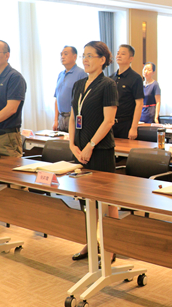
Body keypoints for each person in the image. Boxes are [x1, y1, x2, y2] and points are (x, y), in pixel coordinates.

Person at [69, 41, 119, 261]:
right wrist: (72, 144)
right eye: (84, 55)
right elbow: (73, 116)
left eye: (90, 55)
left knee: (105, 201)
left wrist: (90, 145)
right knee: (85, 201)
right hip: (80, 150)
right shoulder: (79, 84)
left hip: (100, 150)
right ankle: (91, 242)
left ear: (102, 60)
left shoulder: (107, 85)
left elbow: (108, 121)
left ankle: (111, 247)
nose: (85, 59)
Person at [111, 44, 144, 140]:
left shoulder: (136, 78)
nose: (119, 56)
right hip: (110, 124)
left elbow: (139, 104)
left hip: (126, 124)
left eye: (123, 54)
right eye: (118, 53)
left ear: (131, 58)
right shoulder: (111, 78)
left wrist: (134, 128)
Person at [53, 46, 87, 132]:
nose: (62, 57)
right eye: (61, 54)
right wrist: (55, 120)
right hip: (61, 117)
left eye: (65, 54)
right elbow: (57, 98)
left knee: (73, 140)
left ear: (74, 57)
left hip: (73, 117)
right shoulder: (60, 75)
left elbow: (83, 99)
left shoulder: (81, 73)